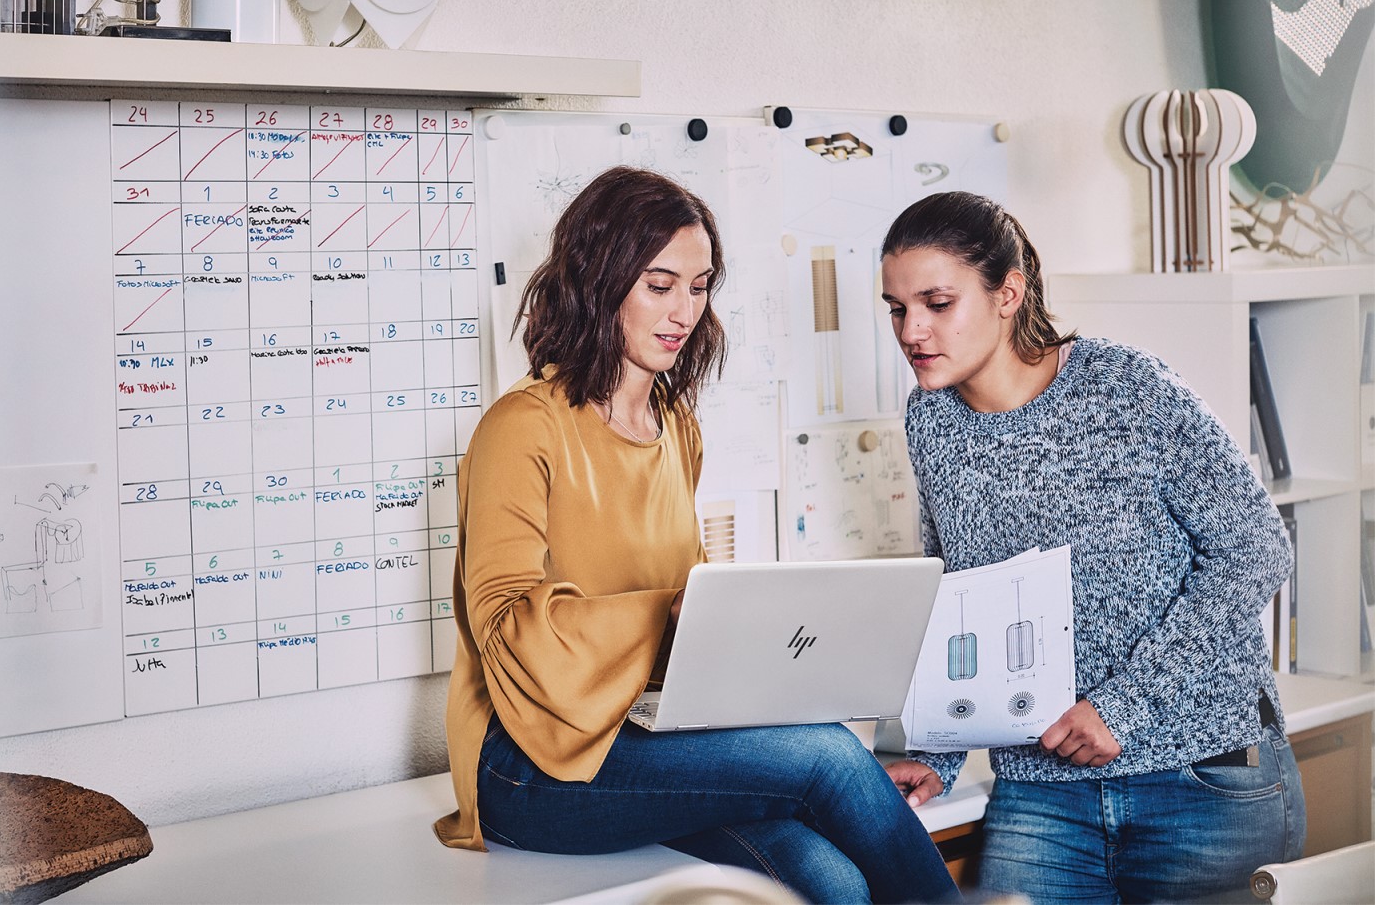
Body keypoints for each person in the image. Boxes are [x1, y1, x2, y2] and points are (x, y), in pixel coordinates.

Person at [433, 166, 959, 905]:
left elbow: (693, 614)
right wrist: (669, 612)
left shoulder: (676, 423)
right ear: (599, 278)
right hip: (531, 768)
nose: (684, 310)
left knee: (831, 880)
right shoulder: (522, 426)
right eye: (659, 284)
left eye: (700, 284)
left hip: (648, 740)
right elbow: (507, 628)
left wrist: (734, 633)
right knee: (831, 760)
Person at [878, 190, 1305, 903]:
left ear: (1008, 293)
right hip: (1045, 796)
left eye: (937, 303)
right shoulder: (931, 420)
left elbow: (1256, 547)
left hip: (1201, 780)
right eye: (896, 308)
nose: (912, 329)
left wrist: (1123, 707)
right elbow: (963, 598)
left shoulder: (1127, 387)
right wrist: (938, 754)